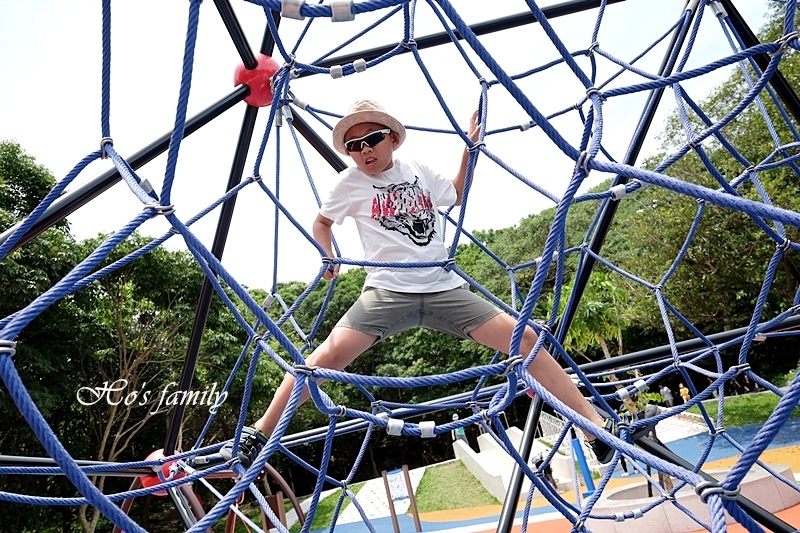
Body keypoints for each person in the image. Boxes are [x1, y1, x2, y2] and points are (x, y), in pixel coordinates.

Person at [220, 100, 613, 468]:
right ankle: (259, 434)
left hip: (443, 287)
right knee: (322, 361)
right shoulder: (349, 183)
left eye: (372, 140)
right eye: (355, 146)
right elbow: (321, 222)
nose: (364, 151)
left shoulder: (418, 171)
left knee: (525, 338)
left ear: (391, 138)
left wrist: (469, 149)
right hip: (387, 291)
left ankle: (590, 424)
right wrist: (327, 253)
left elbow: (456, 194)